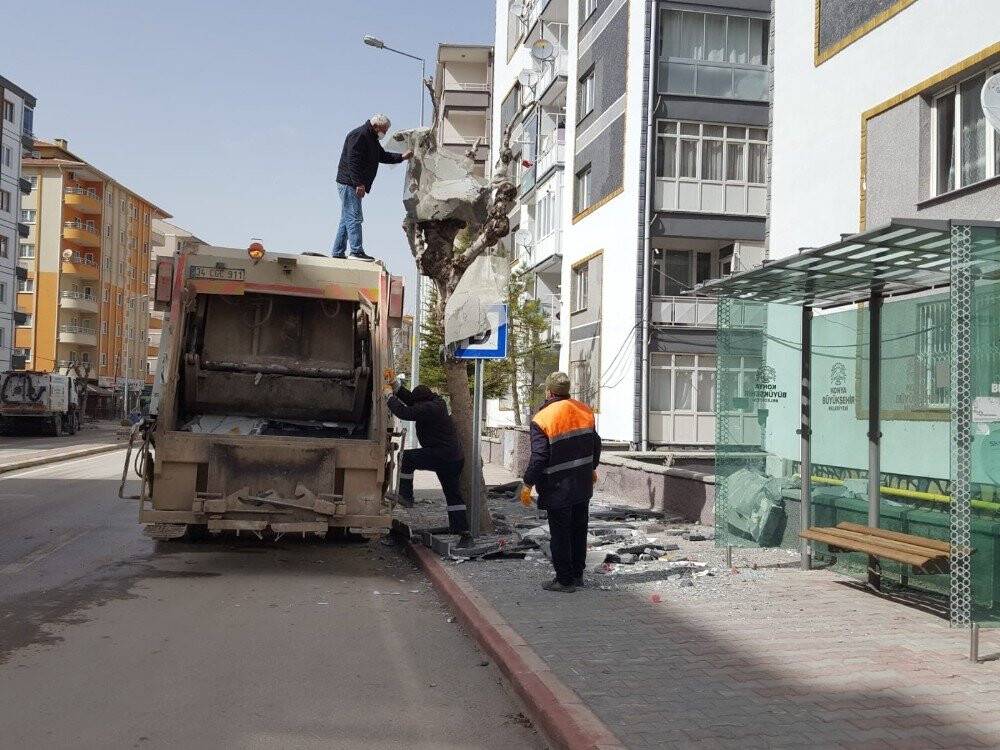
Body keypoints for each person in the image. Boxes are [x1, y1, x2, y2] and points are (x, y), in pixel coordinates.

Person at [521, 372, 601, 593]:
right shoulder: (584, 409)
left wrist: (528, 483)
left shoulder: (543, 418)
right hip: (582, 483)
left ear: (548, 391)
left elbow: (539, 456)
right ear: (567, 390)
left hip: (557, 486)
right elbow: (595, 443)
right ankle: (577, 576)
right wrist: (592, 467)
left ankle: (564, 581)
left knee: (560, 533)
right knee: (578, 530)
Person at [385, 381, 473, 546]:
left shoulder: (429, 408)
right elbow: (412, 401)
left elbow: (405, 412)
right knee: (453, 494)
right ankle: (462, 530)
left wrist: (389, 397)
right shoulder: (435, 403)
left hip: (442, 455)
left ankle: (406, 496)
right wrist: (397, 388)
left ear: (422, 401)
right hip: (453, 458)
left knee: (407, 457)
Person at [332, 114, 413, 261]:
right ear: (375, 126)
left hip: (353, 183)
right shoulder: (360, 135)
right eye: (384, 129)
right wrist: (359, 183)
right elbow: (353, 161)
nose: (385, 133)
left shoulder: (371, 138)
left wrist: (401, 157)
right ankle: (356, 251)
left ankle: (338, 251)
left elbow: (381, 156)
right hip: (349, 183)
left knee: (347, 218)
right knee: (355, 217)